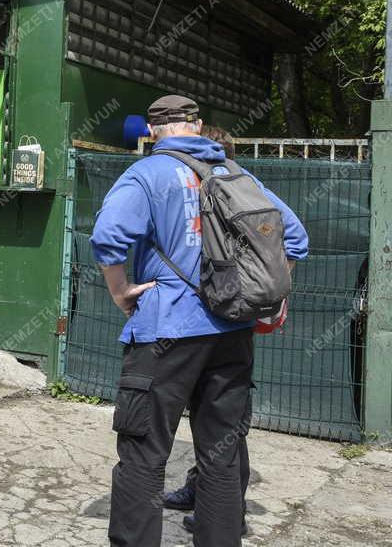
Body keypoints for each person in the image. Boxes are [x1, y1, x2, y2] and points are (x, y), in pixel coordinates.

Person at [91, 95, 308, 547]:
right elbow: (296, 239)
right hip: (232, 334)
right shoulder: (237, 175)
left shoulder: (146, 174)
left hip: (166, 333)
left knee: (143, 456)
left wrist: (120, 291)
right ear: (199, 125)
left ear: (151, 131)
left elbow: (108, 237)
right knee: (221, 457)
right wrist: (259, 295)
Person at [162, 125, 249, 534]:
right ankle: (215, 506)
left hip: (197, 323)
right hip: (235, 319)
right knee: (223, 428)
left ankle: (224, 512)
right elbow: (295, 238)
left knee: (221, 434)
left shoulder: (217, 186)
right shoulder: (247, 187)